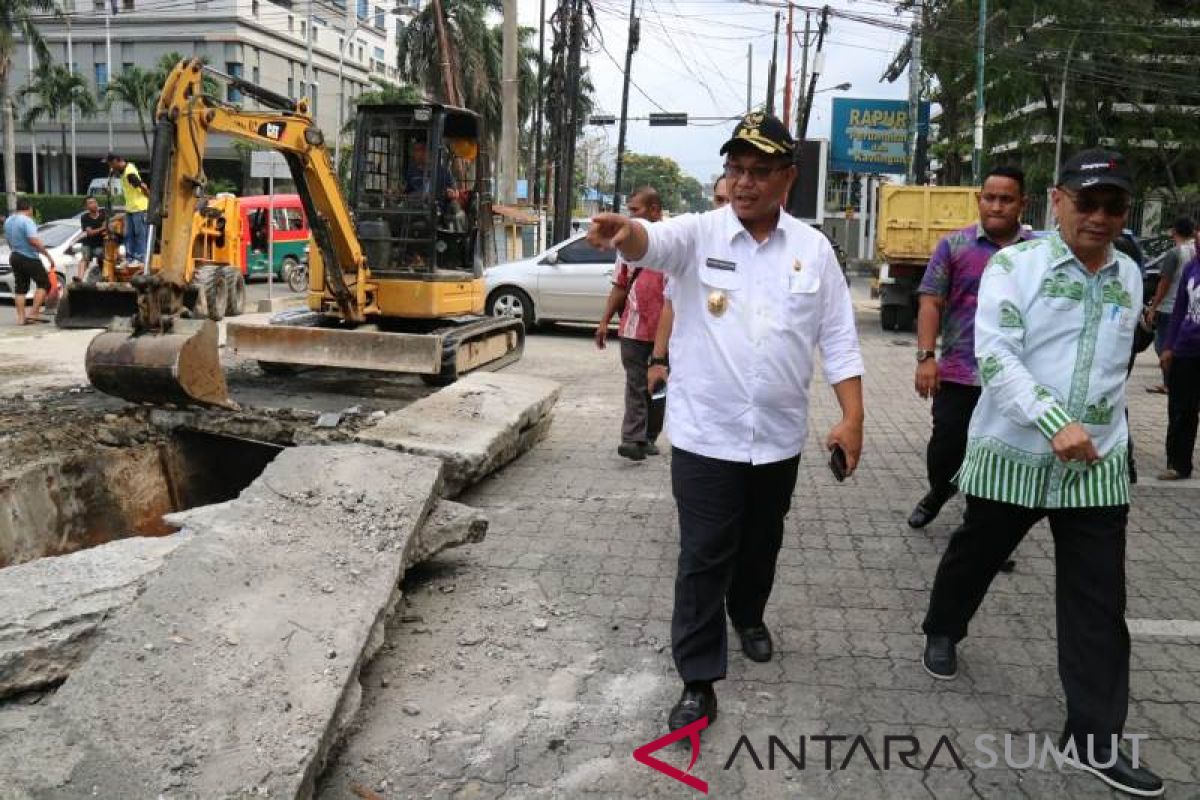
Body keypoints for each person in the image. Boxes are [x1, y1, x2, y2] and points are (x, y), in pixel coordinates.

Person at [587, 112, 864, 735]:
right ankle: (698, 677)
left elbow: (840, 340)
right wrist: (624, 231)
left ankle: (749, 613)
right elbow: (650, 243)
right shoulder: (699, 235)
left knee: (762, 545)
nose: (744, 182)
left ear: (786, 180)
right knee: (705, 554)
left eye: (759, 171)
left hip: (778, 439)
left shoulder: (813, 251)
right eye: (735, 169)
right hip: (705, 436)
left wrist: (854, 417)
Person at [920, 149, 1163, 798]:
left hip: (1096, 466)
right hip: (1016, 454)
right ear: (1057, 201)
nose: (1102, 218)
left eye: (1115, 206)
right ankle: (944, 627)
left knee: (1099, 601)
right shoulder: (1015, 265)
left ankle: (1092, 736)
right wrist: (1053, 419)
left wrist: (1112, 438)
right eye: (1088, 203)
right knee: (976, 552)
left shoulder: (1130, 275)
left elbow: (1115, 368)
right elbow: (994, 356)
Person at [908, 166, 1035, 534]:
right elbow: (931, 302)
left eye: (1006, 199)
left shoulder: (1036, 253)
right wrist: (926, 358)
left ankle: (987, 532)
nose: (997, 206)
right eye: (990, 198)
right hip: (960, 371)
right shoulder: (955, 246)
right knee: (946, 448)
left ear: (1021, 204)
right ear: (979, 200)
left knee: (1000, 455)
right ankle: (940, 489)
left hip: (1015, 376)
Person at [594, 188, 668, 461]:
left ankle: (650, 436)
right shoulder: (625, 247)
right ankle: (633, 439)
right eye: (630, 210)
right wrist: (604, 322)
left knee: (657, 386)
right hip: (633, 328)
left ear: (654, 210)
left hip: (665, 332)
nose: (631, 216)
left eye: (636, 210)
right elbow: (620, 286)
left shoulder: (672, 245)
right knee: (635, 384)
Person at [647, 176, 730, 402]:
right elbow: (669, 306)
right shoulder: (695, 243)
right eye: (719, 200)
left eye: (729, 201)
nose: (724, 207)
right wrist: (657, 360)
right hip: (696, 382)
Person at [1158, 248, 1200, 481]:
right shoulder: (1191, 267)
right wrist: (1168, 346)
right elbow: (1179, 310)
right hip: (1186, 349)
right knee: (1181, 410)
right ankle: (1178, 463)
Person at [1143, 217, 1196, 394]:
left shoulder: (1175, 253)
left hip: (1169, 306)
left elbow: (1164, 282)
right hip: (1191, 307)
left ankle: (1170, 383)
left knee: (1163, 346)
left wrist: (1153, 306)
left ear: (1174, 231)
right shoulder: (1195, 250)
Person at [3, 198, 56, 325]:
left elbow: (8, 239)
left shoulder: (9, 220)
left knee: (20, 288)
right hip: (29, 257)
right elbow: (33, 240)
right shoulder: (27, 221)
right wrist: (47, 254)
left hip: (14, 255)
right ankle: (34, 313)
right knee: (44, 283)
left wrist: (14, 250)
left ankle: (21, 319)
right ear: (29, 208)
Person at [104, 153, 149, 264]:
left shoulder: (129, 173)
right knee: (128, 235)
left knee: (139, 234)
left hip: (139, 207)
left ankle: (140, 258)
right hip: (130, 208)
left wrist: (151, 201)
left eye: (110, 164)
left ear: (116, 161)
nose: (110, 167)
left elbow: (143, 186)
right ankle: (130, 258)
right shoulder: (122, 171)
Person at [77, 196, 107, 282]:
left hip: (100, 244)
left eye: (94, 202)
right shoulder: (84, 217)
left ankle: (105, 275)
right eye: (90, 203)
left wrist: (104, 228)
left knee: (101, 254)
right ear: (86, 207)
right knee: (84, 257)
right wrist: (102, 228)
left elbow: (108, 227)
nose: (94, 204)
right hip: (88, 243)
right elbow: (90, 232)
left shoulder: (104, 214)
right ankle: (79, 278)